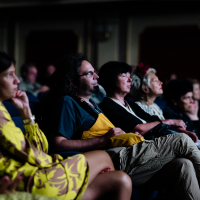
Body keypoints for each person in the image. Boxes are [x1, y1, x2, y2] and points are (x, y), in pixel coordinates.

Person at [41, 54, 200, 200]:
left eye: (95, 72)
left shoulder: (93, 104)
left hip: (132, 155)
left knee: (182, 165)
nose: (97, 76)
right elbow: (58, 143)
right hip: (115, 158)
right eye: (89, 73)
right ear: (73, 82)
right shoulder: (68, 102)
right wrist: (103, 139)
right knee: (181, 140)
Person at [0, 51, 132, 200]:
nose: (17, 80)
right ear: (73, 82)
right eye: (10, 75)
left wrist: (26, 114)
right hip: (30, 179)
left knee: (121, 180)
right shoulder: (67, 102)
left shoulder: (3, 110)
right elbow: (33, 154)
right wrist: (58, 161)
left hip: (38, 170)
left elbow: (39, 150)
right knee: (103, 157)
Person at [98, 61, 197, 141]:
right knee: (183, 141)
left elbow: (153, 120)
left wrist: (182, 131)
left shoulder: (131, 105)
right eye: (124, 76)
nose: (130, 80)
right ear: (111, 79)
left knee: (185, 160)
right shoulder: (107, 106)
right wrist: (170, 122)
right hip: (144, 145)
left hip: (155, 142)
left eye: (129, 76)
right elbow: (138, 128)